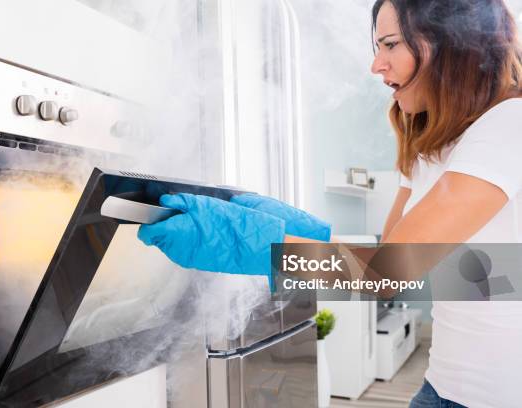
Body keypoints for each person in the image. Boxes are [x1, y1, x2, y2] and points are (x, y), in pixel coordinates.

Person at [138, 0, 522, 406]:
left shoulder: (509, 125)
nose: (377, 65)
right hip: (442, 388)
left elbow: (384, 273)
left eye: (390, 44)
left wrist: (256, 247)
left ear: (452, 43)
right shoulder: (431, 143)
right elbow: (390, 267)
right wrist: (303, 232)